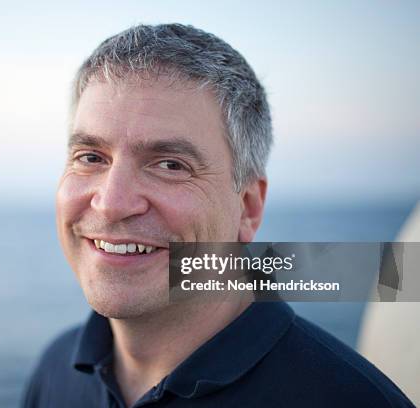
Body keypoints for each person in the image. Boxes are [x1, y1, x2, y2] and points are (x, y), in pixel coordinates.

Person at [22, 24, 413, 407]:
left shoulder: (348, 399)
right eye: (90, 157)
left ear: (248, 207)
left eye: (170, 165)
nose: (111, 203)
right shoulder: (56, 372)